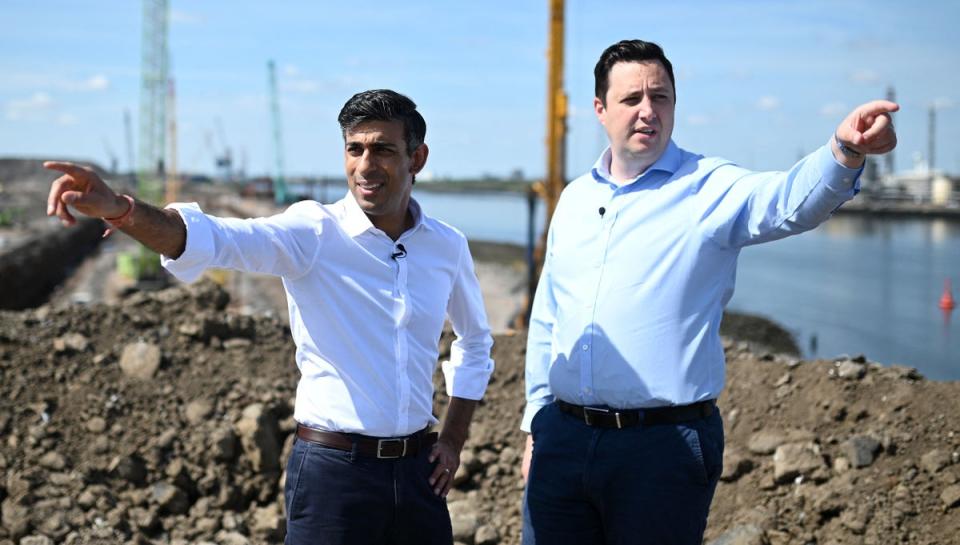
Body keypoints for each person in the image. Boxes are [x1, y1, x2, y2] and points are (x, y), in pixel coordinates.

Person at [45, 89, 495, 545]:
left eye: (382, 149)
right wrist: (122, 210)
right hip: (335, 474)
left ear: (416, 158)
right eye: (354, 149)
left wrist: (453, 438)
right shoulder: (313, 231)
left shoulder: (447, 245)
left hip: (420, 474)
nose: (364, 165)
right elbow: (215, 238)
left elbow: (475, 341)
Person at [520, 40, 897, 545]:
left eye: (662, 97)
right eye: (632, 99)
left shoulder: (709, 186)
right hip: (561, 441)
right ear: (600, 109)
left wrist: (844, 151)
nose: (648, 111)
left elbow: (787, 201)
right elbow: (549, 314)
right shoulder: (573, 198)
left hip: (662, 448)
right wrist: (534, 423)